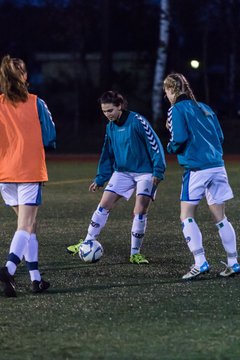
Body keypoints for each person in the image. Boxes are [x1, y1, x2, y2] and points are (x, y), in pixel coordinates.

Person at [67, 90, 166, 264]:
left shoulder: (138, 121)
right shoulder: (110, 127)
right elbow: (108, 153)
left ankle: (135, 253)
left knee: (140, 210)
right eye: (104, 111)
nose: (107, 115)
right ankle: (88, 241)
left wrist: (158, 170)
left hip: (145, 172)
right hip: (122, 172)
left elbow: (155, 145)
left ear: (119, 106)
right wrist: (101, 178)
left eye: (110, 110)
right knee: (104, 204)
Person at [163, 72, 240, 279]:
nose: (167, 96)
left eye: (167, 92)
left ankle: (200, 262)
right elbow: (220, 136)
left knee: (186, 216)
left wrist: (171, 146)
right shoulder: (204, 107)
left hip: (197, 169)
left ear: (171, 90)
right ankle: (233, 262)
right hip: (217, 165)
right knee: (221, 218)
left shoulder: (176, 109)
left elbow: (179, 138)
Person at [0, 55, 56, 297]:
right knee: (26, 225)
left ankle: (36, 279)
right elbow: (49, 135)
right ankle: (9, 269)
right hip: (28, 171)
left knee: (30, 225)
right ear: (24, 76)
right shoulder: (36, 102)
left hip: (4, 174)